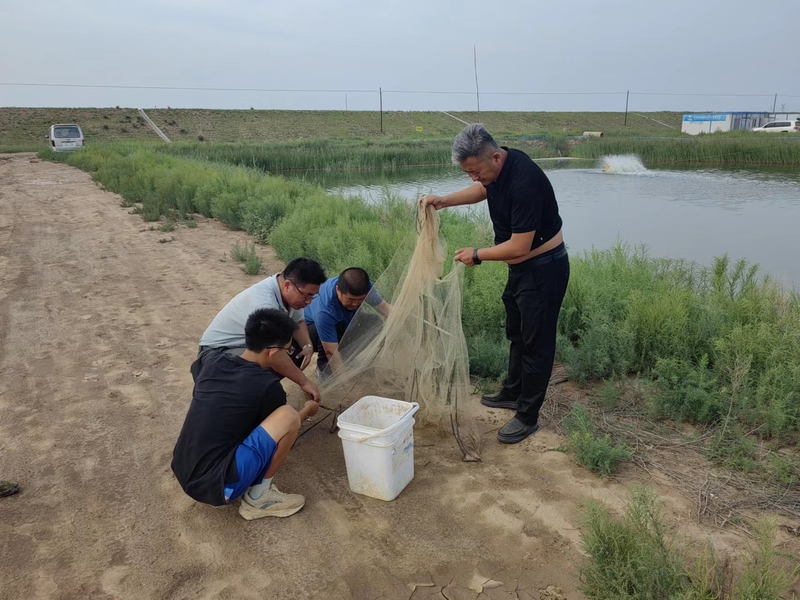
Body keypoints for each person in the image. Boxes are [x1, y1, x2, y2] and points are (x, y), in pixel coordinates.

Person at [421, 124, 570, 444]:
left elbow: (519, 247)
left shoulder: (525, 182)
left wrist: (478, 254)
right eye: (468, 173)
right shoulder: (497, 172)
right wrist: (445, 201)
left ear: (496, 157)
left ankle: (528, 416)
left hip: (543, 270)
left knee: (537, 344)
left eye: (475, 170)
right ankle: (513, 392)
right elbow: (484, 190)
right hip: (521, 271)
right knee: (516, 333)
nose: (473, 177)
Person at [172, 308, 319, 520]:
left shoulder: (212, 360)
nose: (286, 355)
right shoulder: (267, 386)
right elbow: (281, 430)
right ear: (272, 351)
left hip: (183, 467)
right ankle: (259, 498)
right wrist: (306, 411)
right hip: (215, 485)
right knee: (288, 416)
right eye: (286, 350)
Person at [199, 257, 326, 402]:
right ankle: (247, 397)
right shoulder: (264, 302)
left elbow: (298, 321)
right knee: (265, 369)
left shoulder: (290, 296)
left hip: (248, 346)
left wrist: (307, 346)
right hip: (218, 355)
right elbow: (274, 354)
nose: (308, 302)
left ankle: (262, 390)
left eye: (312, 296)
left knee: (294, 350)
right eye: (306, 295)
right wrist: (304, 382)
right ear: (288, 285)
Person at [303, 267, 391, 377]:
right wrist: (346, 385)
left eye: (360, 300)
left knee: (374, 322)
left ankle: (346, 360)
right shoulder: (325, 310)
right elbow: (331, 351)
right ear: (338, 290)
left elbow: (384, 307)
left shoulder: (364, 286)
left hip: (343, 321)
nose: (355, 304)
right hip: (310, 333)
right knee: (337, 329)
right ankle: (324, 371)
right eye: (351, 300)